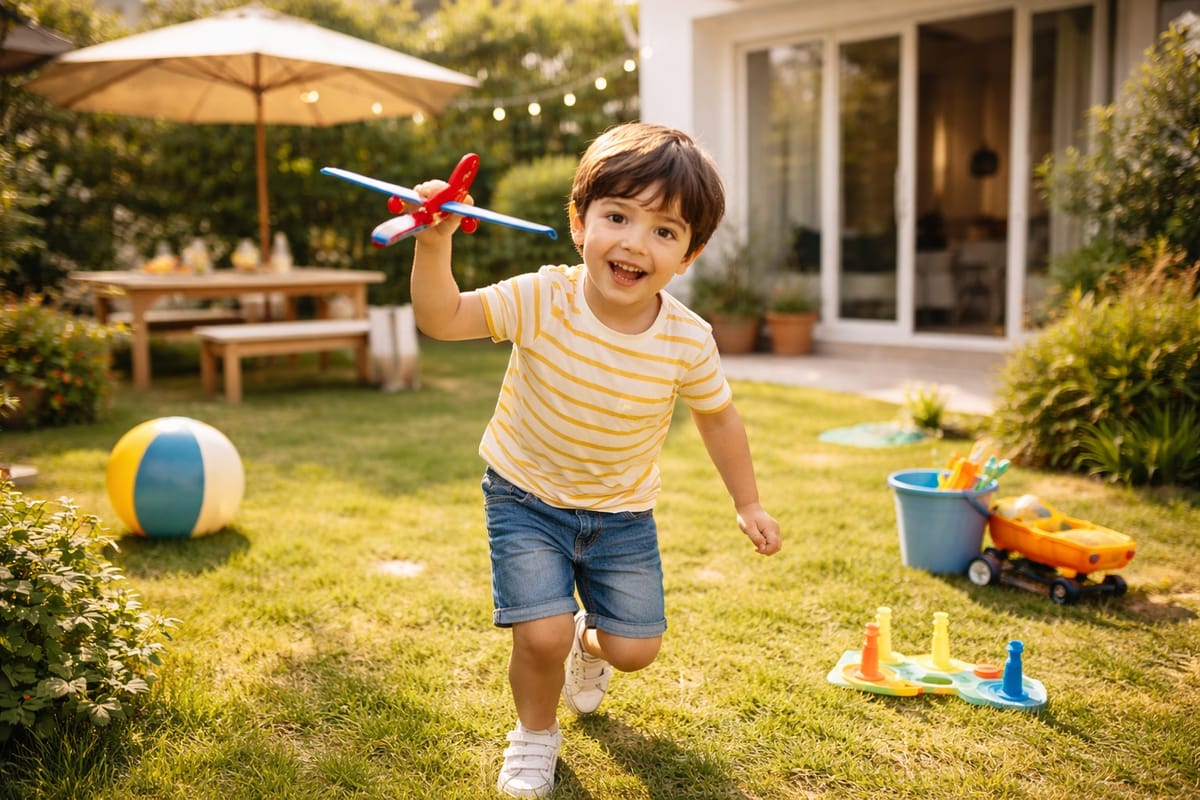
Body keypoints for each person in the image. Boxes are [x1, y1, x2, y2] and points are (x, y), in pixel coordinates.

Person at [408, 122, 782, 798]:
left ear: (689, 256)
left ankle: (591, 643)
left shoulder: (688, 340)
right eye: (618, 216)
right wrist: (434, 243)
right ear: (580, 223)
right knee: (541, 634)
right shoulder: (540, 298)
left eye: (665, 232)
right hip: (524, 497)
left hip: (622, 516)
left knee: (637, 651)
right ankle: (534, 735)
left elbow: (718, 416)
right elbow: (443, 318)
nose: (636, 242)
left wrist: (747, 500)